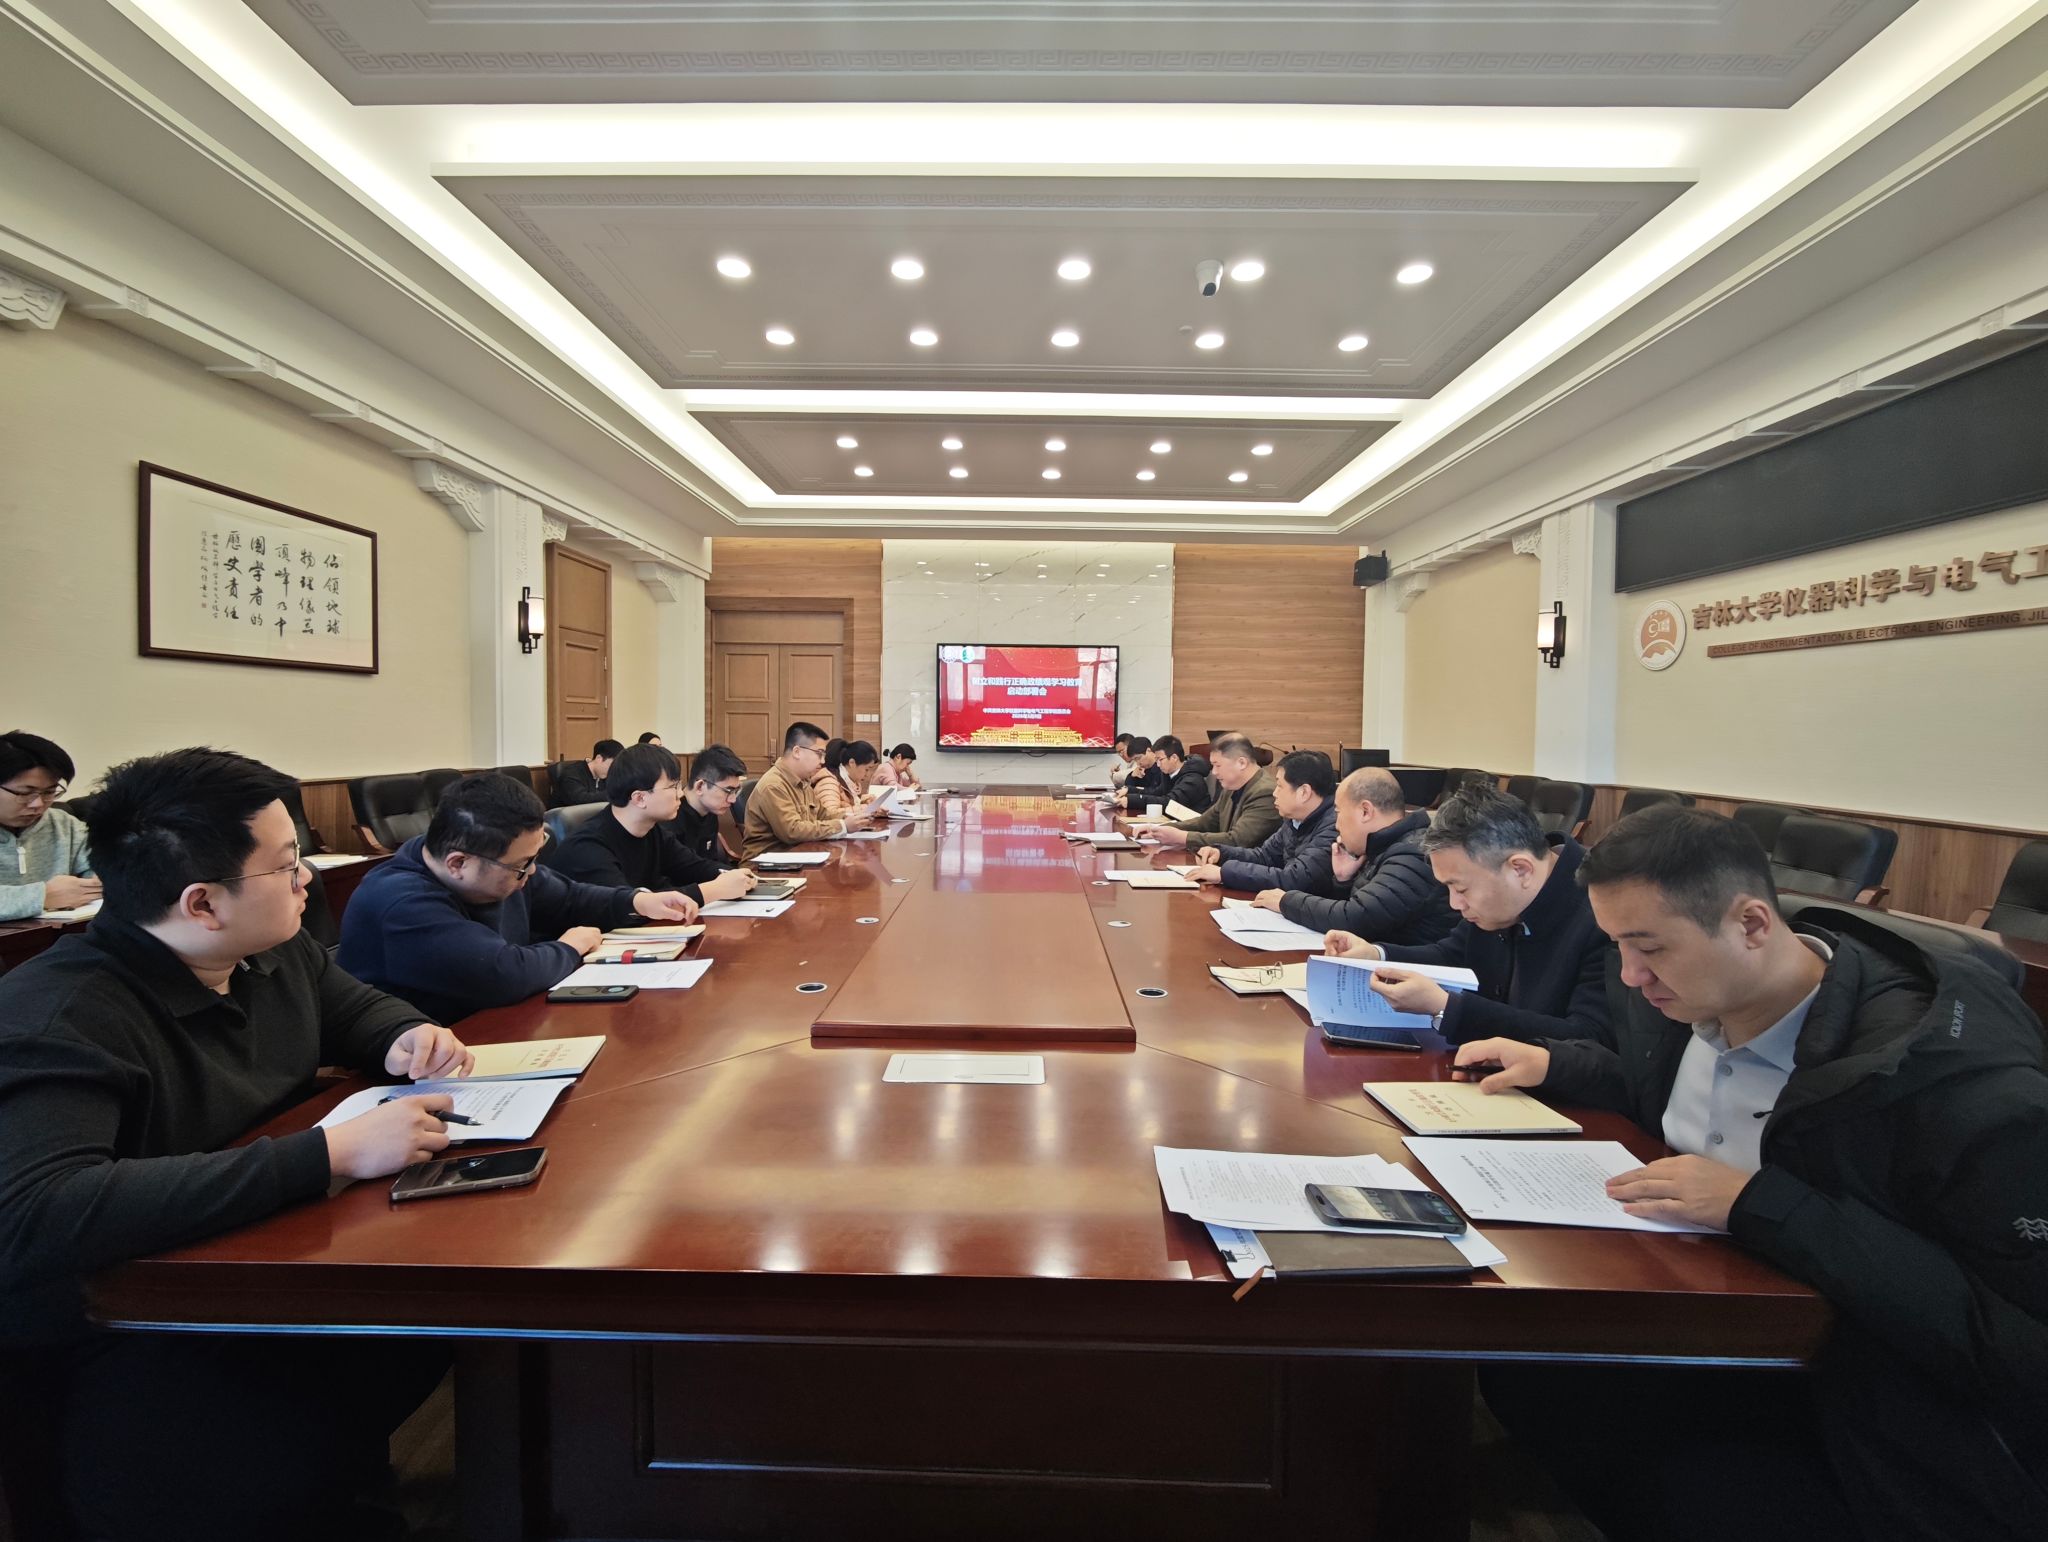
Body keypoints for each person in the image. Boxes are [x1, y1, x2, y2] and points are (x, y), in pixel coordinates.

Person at [1460, 805, 2048, 1542]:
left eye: (1649, 948)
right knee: (1515, 1366)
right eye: (1617, 946)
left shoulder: (1959, 1091)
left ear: (1752, 925)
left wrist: (1763, 1204)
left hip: (1860, 1410)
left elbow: (2017, 1344)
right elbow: (1662, 1090)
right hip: (1691, 1302)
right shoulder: (1688, 996)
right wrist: (1559, 1063)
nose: (1631, 976)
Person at [0, 747, 472, 1540]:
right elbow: (38, 1213)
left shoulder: (268, 950)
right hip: (130, 1329)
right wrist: (327, 1155)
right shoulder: (59, 1016)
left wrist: (404, 1036)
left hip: (263, 1258)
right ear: (202, 903)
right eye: (286, 865)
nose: (307, 878)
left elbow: (354, 1007)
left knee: (437, 1323)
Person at [337, 773, 697, 1022]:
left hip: (495, 1025)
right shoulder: (400, 901)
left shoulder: (494, 864)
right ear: (458, 863)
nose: (532, 872)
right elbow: (502, 973)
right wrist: (570, 947)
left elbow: (569, 897)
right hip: (420, 1062)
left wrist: (636, 901)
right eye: (522, 865)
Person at [1325, 783, 1609, 1044]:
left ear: (1520, 869)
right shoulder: (1500, 898)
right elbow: (1452, 955)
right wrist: (1376, 955)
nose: (1455, 903)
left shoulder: (1603, 914)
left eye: (1461, 889)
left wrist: (1446, 1007)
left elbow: (1588, 1038)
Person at [1254, 767, 1457, 946]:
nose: (1336, 825)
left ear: (1365, 811)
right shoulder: (1380, 846)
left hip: (1415, 970)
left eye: (1338, 812)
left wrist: (1286, 901)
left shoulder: (1412, 853)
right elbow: (1367, 912)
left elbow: (1355, 918)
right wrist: (1343, 881)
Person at [544, 743, 757, 904]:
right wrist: (714, 890)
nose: (680, 794)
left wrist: (735, 876)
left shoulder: (651, 831)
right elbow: (629, 907)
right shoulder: (588, 847)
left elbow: (692, 866)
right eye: (673, 787)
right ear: (639, 798)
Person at [1187, 749, 1339, 891]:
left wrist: (1225, 873)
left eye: (1280, 786)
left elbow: (1296, 878)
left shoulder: (1334, 827)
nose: (1274, 793)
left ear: (1304, 792)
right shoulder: (1294, 819)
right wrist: (1222, 854)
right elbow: (1265, 856)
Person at [743, 722, 887, 858]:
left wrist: (852, 818)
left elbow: (823, 814)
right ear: (797, 752)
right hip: (767, 865)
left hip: (799, 856)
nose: (823, 761)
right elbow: (792, 831)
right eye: (819, 753)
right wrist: (843, 826)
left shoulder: (803, 781)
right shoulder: (774, 785)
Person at [0, 729, 98, 920]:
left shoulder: (63, 825)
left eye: (49, 792)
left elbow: (102, 865)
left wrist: (99, 879)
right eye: (25, 793)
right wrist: (42, 896)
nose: (38, 804)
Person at [1138, 733, 1279, 850]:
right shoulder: (1232, 786)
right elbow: (1205, 822)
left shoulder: (1265, 793)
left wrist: (1183, 838)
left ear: (1241, 763)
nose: (1214, 772)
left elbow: (1237, 841)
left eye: (1217, 765)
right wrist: (1159, 829)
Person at [674, 743, 747, 868]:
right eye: (728, 791)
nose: (733, 800)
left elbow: (711, 863)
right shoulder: (671, 817)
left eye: (736, 791)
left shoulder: (710, 811)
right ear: (700, 786)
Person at [549, 737, 621, 808]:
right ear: (599, 758)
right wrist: (612, 794)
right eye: (612, 765)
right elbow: (579, 799)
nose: (613, 770)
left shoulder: (605, 776)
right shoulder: (571, 773)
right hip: (563, 813)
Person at [1149, 735, 1211, 815]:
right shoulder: (1170, 775)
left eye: (1160, 759)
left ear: (1174, 758)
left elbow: (1170, 804)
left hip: (1192, 822)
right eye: (1156, 760)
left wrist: (1135, 800)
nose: (1158, 765)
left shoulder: (1193, 780)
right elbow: (1156, 793)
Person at [828, 738, 883, 809]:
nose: (868, 775)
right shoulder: (831, 782)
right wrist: (864, 808)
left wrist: (864, 801)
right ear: (852, 763)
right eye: (866, 769)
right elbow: (832, 813)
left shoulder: (851, 783)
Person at [1114, 736, 1164, 812]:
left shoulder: (1162, 768)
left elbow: (1156, 792)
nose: (1138, 763)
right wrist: (1132, 776)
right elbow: (1128, 788)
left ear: (1148, 750)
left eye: (1138, 758)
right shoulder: (1142, 769)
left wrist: (1131, 790)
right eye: (1135, 760)